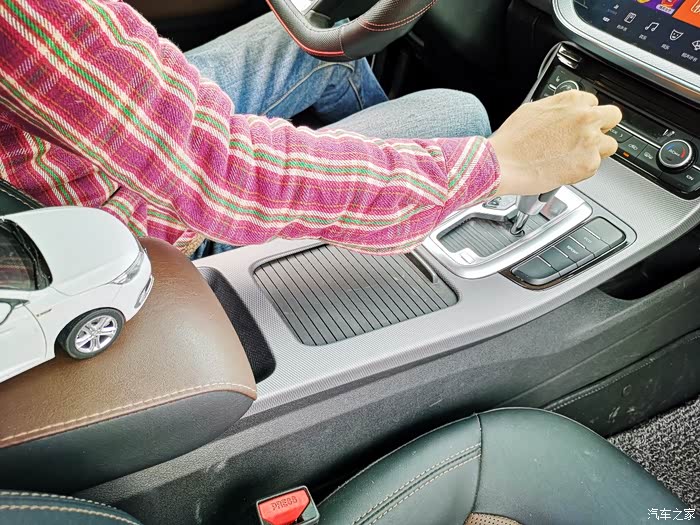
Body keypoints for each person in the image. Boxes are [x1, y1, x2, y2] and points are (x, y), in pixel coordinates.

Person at [0, 0, 622, 259]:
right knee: (458, 116)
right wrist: (495, 166)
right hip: (133, 233)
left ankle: (360, 184)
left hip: (68, 162)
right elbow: (226, 176)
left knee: (318, 42)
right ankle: (382, 204)